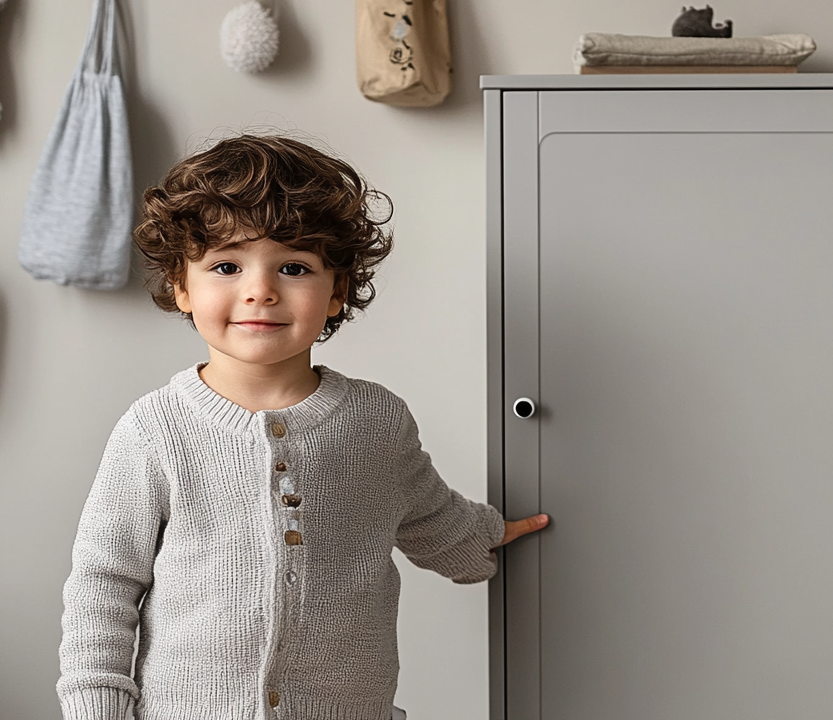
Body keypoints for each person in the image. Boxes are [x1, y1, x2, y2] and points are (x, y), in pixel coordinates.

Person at [57, 134, 549, 720]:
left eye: (293, 267)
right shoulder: (155, 429)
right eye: (225, 266)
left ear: (337, 289)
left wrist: (490, 537)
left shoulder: (376, 420)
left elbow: (428, 515)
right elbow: (104, 583)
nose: (260, 290)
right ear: (181, 287)